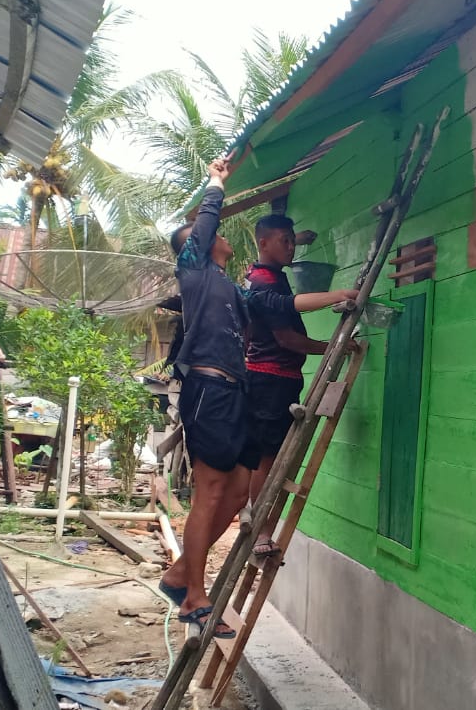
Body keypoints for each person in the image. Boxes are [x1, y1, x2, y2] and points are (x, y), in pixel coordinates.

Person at [157, 157, 356, 637]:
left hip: (236, 390)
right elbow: (204, 228)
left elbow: (279, 304)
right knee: (209, 492)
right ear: (196, 250)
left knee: (241, 489)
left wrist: (336, 292)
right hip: (208, 390)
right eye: (210, 235)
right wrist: (216, 183)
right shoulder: (196, 274)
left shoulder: (228, 285)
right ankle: (194, 598)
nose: (222, 236)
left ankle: (181, 572)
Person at [240, 214, 333, 562]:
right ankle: (261, 530)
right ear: (264, 243)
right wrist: (330, 347)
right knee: (268, 459)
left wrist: (299, 238)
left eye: (294, 241)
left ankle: (256, 523)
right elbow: (287, 338)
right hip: (270, 379)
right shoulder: (265, 284)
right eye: (285, 241)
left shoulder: (267, 275)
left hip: (272, 379)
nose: (292, 246)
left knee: (270, 457)